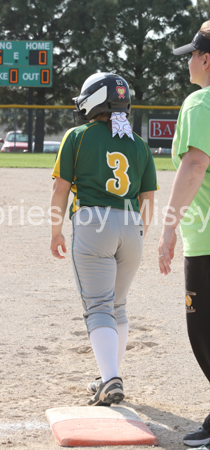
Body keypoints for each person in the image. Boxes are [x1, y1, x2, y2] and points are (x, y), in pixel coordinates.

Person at [50, 72, 157, 406]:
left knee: (98, 307)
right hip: (132, 226)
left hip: (93, 222)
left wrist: (55, 230)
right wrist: (139, 232)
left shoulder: (78, 136)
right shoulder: (138, 143)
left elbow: (60, 188)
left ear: (94, 100)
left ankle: (110, 378)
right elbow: (149, 198)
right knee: (117, 305)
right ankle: (109, 373)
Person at [158, 21, 210, 447]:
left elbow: (194, 166)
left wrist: (169, 227)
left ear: (207, 60)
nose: (188, 62)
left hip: (208, 244)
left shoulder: (200, 102)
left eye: (192, 54)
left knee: (205, 333)